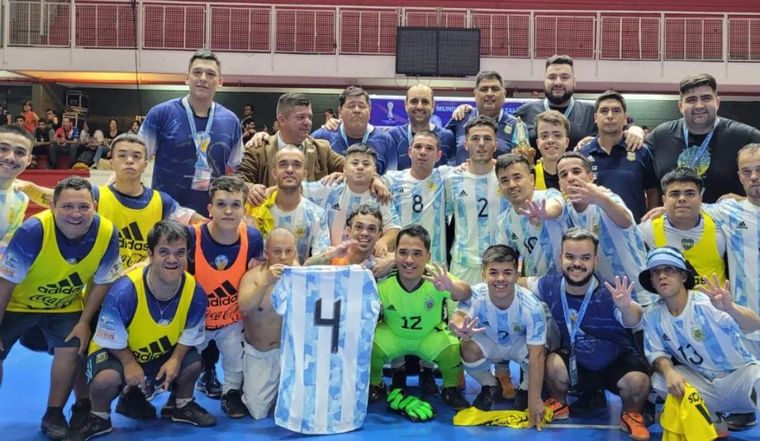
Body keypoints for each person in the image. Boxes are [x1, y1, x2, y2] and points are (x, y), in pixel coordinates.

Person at [68, 220, 216, 440]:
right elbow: (112, 337)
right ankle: (99, 417)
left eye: (180, 252)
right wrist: (129, 363)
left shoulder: (195, 291)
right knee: (105, 379)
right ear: (151, 253)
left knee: (193, 363)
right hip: (116, 352)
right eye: (164, 252)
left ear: (188, 255)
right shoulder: (124, 290)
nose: (173, 259)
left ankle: (180, 405)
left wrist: (175, 360)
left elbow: (190, 334)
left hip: (158, 355)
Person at [0, 176, 121, 440]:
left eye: (83, 207)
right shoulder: (34, 231)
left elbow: (102, 283)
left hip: (64, 304)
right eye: (67, 207)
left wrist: (84, 322)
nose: (75, 214)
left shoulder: (108, 232)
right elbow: (4, 285)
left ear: (95, 206)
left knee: (73, 347)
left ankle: (53, 414)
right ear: (53, 206)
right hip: (17, 303)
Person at [524, 228, 651, 441]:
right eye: (570, 257)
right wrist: (480, 290)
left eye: (585, 258)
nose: (577, 264)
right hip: (578, 362)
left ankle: (631, 414)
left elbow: (634, 319)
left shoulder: (610, 292)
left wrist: (626, 306)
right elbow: (518, 283)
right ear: (561, 257)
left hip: (615, 362)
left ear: (595, 260)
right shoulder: (550, 285)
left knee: (638, 381)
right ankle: (559, 404)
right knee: (553, 363)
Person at [634, 247, 760, 433]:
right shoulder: (653, 315)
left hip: (739, 380)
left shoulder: (707, 303)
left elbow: (754, 324)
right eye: (655, 272)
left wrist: (731, 308)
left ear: (683, 277)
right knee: (660, 379)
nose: (661, 276)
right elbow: (657, 353)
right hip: (706, 385)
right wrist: (669, 372)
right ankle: (711, 419)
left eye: (669, 269)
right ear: (652, 281)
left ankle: (742, 413)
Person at [368, 225, 472, 410]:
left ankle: (449, 389)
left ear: (428, 257)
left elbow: (466, 292)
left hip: (428, 336)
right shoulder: (384, 279)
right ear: (395, 254)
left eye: (417, 253)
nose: (409, 260)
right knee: (369, 343)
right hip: (393, 335)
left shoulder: (437, 277)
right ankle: (376, 384)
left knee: (452, 347)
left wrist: (451, 287)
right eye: (403, 252)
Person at [186, 176, 263, 418]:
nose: (228, 211)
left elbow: (256, 278)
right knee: (184, 364)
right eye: (221, 204)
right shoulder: (190, 236)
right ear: (209, 209)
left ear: (244, 208)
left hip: (230, 320)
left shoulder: (252, 237)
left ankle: (231, 394)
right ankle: (180, 399)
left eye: (235, 204)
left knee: (236, 360)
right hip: (195, 320)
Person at [449, 245, 547, 426]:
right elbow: (459, 316)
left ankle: (525, 388)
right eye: (493, 272)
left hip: (519, 346)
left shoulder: (532, 307)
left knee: (542, 354)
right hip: (490, 344)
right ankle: (490, 385)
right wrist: (458, 327)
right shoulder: (476, 294)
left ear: (517, 275)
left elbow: (537, 355)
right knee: (467, 348)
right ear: (483, 274)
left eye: (507, 272)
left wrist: (535, 398)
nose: (500, 279)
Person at [139, 48, 243, 217]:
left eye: (210, 74)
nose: (203, 78)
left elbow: (235, 170)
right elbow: (135, 161)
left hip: (213, 218)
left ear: (220, 81)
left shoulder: (231, 121)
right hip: (167, 216)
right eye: (197, 72)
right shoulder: (161, 114)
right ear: (187, 78)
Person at [556, 151, 652, 305]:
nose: (570, 177)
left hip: (641, 295)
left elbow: (626, 221)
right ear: (560, 184)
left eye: (576, 171)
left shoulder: (607, 198)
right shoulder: (566, 210)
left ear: (590, 177)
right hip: (608, 300)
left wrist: (599, 199)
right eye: (563, 174)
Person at [646, 73, 760, 203]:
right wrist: (634, 130)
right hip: (675, 222)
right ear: (680, 106)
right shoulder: (661, 135)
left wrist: (746, 201)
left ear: (717, 102)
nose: (699, 106)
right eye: (691, 100)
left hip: (726, 222)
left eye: (706, 98)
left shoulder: (744, 136)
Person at [513, 55, 645, 150]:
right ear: (544, 81)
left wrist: (636, 129)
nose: (558, 82)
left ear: (574, 81)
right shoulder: (524, 112)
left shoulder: (592, 111)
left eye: (565, 77)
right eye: (552, 77)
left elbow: (625, 125)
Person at [238, 228, 298, 420]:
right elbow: (245, 308)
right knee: (258, 412)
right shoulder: (254, 277)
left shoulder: (300, 275)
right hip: (261, 354)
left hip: (290, 356)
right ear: (266, 253)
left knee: (298, 411)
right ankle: (244, 382)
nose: (283, 257)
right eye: (277, 251)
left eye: (288, 251)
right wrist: (266, 281)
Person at [445, 116, 511, 284]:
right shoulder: (451, 178)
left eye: (487, 138)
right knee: (461, 311)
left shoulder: (508, 178)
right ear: (466, 144)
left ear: (496, 144)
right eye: (475, 138)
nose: (481, 143)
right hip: (463, 266)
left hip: (501, 267)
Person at [302, 143, 400, 254]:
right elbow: (299, 189)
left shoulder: (380, 194)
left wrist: (383, 242)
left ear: (374, 170)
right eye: (355, 163)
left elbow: (394, 227)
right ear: (344, 168)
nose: (360, 167)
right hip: (330, 259)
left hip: (365, 260)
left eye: (366, 164)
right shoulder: (330, 186)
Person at [579, 90, 659, 223]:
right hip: (594, 233)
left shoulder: (641, 151)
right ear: (595, 117)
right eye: (604, 111)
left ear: (625, 117)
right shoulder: (583, 154)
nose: (610, 116)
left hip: (634, 232)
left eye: (616, 110)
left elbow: (653, 192)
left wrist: (649, 224)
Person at [639, 168, 727, 287]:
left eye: (690, 193)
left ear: (701, 198)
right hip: (668, 304)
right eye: (674, 194)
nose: (682, 199)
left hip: (715, 304)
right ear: (664, 200)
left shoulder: (722, 227)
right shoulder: (647, 230)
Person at [237, 93, 345, 189]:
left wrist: (344, 176)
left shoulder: (322, 149)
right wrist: (252, 189)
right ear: (282, 120)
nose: (308, 122)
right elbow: (238, 182)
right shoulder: (258, 150)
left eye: (310, 117)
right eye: (301, 117)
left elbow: (352, 167)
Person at [246, 146, 330, 263]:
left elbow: (322, 258)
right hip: (261, 278)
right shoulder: (257, 209)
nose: (290, 170)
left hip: (299, 277)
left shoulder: (317, 215)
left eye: (296, 165)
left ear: (305, 174)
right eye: (283, 164)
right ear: (274, 173)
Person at [383, 130, 453, 265]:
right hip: (399, 263)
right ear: (409, 152)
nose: (422, 152)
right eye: (418, 147)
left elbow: (475, 167)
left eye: (429, 148)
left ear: (438, 155)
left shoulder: (445, 176)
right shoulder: (391, 180)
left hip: (434, 264)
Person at [495, 153, 565, 277]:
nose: (511, 185)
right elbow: (508, 260)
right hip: (533, 288)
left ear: (531, 179)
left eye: (517, 177)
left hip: (566, 284)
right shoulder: (503, 222)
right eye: (504, 180)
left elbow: (556, 207)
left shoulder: (549, 195)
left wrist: (544, 213)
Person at [311, 86, 395, 174]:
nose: (357, 110)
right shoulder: (321, 137)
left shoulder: (385, 140)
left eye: (362, 106)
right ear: (340, 111)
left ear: (370, 110)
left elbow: (392, 181)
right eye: (351, 106)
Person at [445, 71, 523, 165]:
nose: (489, 94)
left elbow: (522, 165)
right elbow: (442, 152)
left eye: (495, 89)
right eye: (484, 89)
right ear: (475, 94)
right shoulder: (459, 118)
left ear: (504, 94)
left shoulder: (517, 127)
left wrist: (497, 167)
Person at [387, 84, 455, 169]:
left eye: (425, 102)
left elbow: (454, 171)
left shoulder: (447, 137)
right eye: (414, 101)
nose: (419, 106)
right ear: (406, 105)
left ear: (433, 105)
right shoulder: (392, 137)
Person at [305, 204, 390, 268]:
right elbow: (305, 267)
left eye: (371, 229)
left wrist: (393, 261)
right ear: (349, 231)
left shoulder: (384, 262)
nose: (364, 233)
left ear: (379, 235)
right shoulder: (333, 255)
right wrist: (331, 255)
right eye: (359, 227)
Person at [0, 125, 34, 253]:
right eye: (3, 148)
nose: (10, 158)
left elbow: (5, 244)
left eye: (20, 152)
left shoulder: (20, 199)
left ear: (29, 160)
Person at [531, 110, 570, 190]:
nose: (550, 140)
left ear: (566, 142)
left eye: (557, 135)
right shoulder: (529, 176)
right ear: (538, 143)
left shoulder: (579, 176)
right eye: (544, 136)